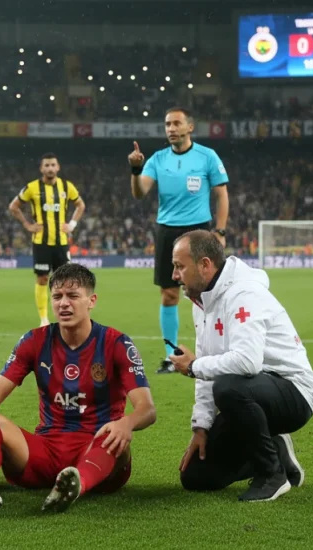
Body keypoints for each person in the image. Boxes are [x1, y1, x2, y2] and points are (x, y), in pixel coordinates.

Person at [0, 263, 156, 513]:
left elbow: (147, 409)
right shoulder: (34, 340)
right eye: (57, 296)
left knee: (113, 435)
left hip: (98, 452)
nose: (64, 303)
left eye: (73, 296)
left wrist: (127, 423)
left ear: (91, 301)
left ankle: (77, 483)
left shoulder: (117, 343)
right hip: (47, 451)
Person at [167, 230, 313, 502]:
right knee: (196, 476)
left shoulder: (244, 293)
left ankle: (272, 475)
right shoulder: (201, 302)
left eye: (180, 266)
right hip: (248, 393)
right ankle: (275, 449)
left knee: (228, 386)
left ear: (205, 264)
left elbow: (247, 362)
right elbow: (206, 369)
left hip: (293, 392)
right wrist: (201, 426)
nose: (174, 275)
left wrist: (193, 366)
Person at [128, 107, 230, 374]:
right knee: (169, 294)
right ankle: (171, 356)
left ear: (190, 127)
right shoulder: (158, 159)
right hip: (168, 231)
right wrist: (135, 170)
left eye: (176, 123)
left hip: (199, 231)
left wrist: (220, 231)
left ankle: (214, 351)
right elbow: (139, 192)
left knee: (209, 292)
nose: (171, 128)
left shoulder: (207, 156)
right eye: (167, 124)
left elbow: (221, 194)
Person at [9, 153, 86, 326]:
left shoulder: (67, 186)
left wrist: (72, 224)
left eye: (53, 165)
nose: (50, 168)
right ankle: (43, 319)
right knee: (42, 279)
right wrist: (27, 225)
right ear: (41, 168)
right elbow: (13, 206)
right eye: (47, 165)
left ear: (58, 167)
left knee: (65, 282)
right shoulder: (32, 187)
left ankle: (66, 316)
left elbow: (80, 205)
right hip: (41, 242)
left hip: (61, 242)